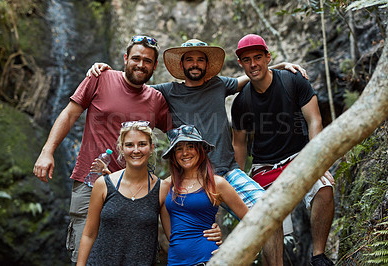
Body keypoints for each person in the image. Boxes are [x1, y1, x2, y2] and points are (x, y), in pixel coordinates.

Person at [86, 39, 307, 265]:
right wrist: (107, 72)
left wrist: (281, 67)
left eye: (200, 59)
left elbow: (252, 76)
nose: (195, 64)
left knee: (270, 211)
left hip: (226, 173)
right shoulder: (167, 91)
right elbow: (134, 84)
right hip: (185, 178)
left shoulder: (219, 85)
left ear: (206, 64)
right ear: (181, 65)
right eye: (189, 59)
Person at [33, 35, 174, 263]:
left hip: (136, 191)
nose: (141, 64)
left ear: (155, 66)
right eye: (136, 58)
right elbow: (69, 114)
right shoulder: (100, 78)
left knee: (131, 255)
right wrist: (47, 150)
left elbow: (178, 137)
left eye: (147, 61)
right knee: (84, 252)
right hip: (91, 183)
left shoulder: (156, 99)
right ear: (125, 58)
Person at [231, 34, 335, 266]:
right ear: (241, 64)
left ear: (268, 57)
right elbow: (238, 143)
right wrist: (236, 182)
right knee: (270, 226)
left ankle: (318, 256)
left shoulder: (293, 81)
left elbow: (314, 120)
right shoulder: (241, 102)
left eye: (258, 57)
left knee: (324, 187)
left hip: (299, 157)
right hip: (264, 167)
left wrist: (317, 159)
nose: (253, 64)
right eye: (247, 60)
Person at [77, 121, 222, 265]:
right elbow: (89, 234)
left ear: (151, 147)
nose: (136, 150)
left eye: (142, 144)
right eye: (129, 145)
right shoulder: (103, 184)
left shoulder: (162, 188)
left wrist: (211, 237)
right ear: (121, 148)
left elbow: (176, 235)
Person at [161, 125, 248, 266]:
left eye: (190, 146)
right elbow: (171, 234)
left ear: (200, 150)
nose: (185, 153)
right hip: (175, 261)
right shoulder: (166, 185)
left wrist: (232, 247)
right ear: (173, 155)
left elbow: (252, 219)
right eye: (179, 148)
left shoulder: (217, 183)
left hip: (207, 259)